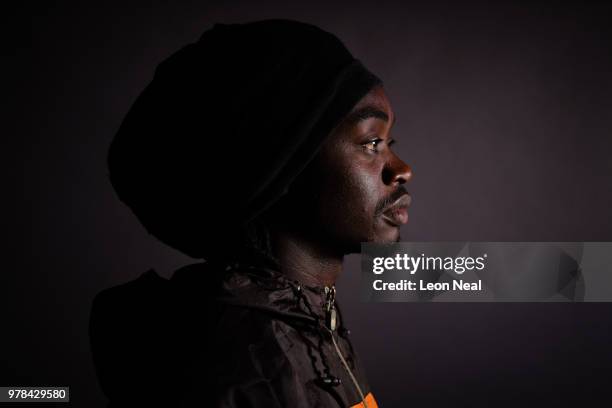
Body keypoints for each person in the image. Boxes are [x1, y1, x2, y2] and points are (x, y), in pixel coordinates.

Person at [89, 19, 412, 407]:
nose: (402, 169)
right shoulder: (245, 372)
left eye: (389, 141)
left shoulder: (303, 319)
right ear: (281, 165)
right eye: (372, 142)